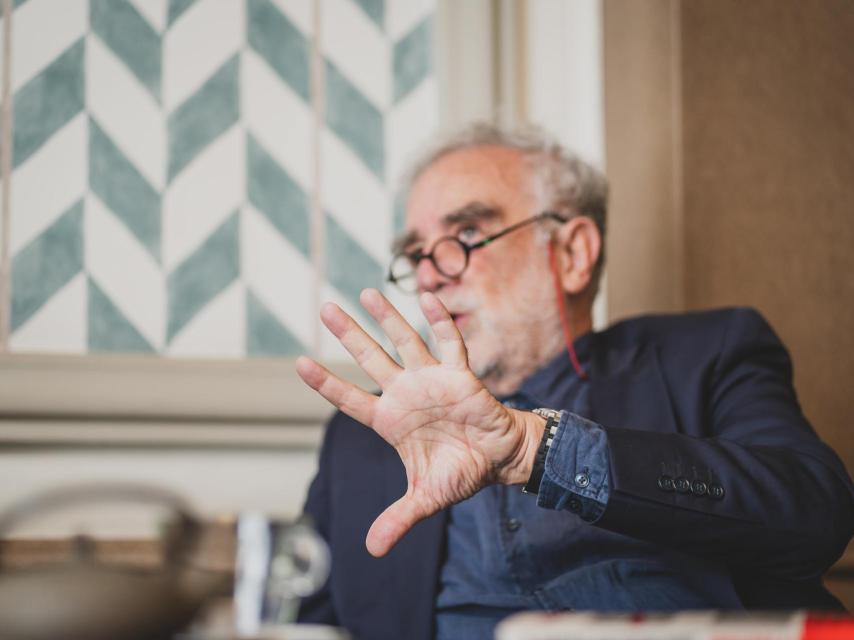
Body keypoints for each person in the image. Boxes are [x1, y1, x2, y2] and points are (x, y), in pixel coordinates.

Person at [294, 123, 854, 639]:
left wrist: (538, 449)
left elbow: (816, 515)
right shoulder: (359, 440)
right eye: (414, 253)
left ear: (572, 253)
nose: (430, 272)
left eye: (467, 231)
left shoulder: (706, 356)